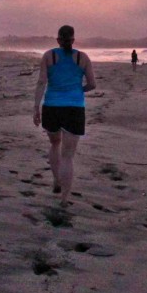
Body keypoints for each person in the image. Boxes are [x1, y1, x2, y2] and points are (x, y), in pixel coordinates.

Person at [33, 25, 96, 205]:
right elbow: (92, 84)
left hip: (52, 107)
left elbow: (41, 82)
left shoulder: (49, 56)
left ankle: (56, 180)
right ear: (73, 40)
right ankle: (64, 198)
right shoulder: (82, 58)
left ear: (58, 40)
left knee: (55, 144)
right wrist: (79, 90)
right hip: (74, 108)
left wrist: (36, 107)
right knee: (68, 156)